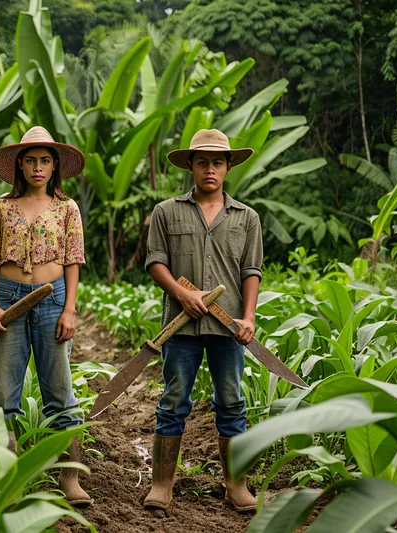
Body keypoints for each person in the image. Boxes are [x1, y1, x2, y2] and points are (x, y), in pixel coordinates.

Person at [143, 129, 262, 512]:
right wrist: (183, 295)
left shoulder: (247, 218)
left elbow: (251, 271)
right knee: (174, 400)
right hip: (181, 327)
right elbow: (155, 262)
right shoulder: (166, 212)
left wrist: (248, 318)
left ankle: (236, 485)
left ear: (228, 167)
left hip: (227, 329)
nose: (209, 169)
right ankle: (162, 484)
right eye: (202, 162)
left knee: (231, 401)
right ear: (191, 166)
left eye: (217, 162)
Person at [0, 126, 91, 506]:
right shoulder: (1, 207)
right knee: (3, 392)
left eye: (45, 160)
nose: (38, 167)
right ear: (19, 166)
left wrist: (69, 308)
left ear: (54, 166)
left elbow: (74, 260)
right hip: (10, 298)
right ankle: (6, 473)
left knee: (59, 391)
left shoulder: (67, 208)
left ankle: (70, 477)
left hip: (52, 297)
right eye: (31, 160)